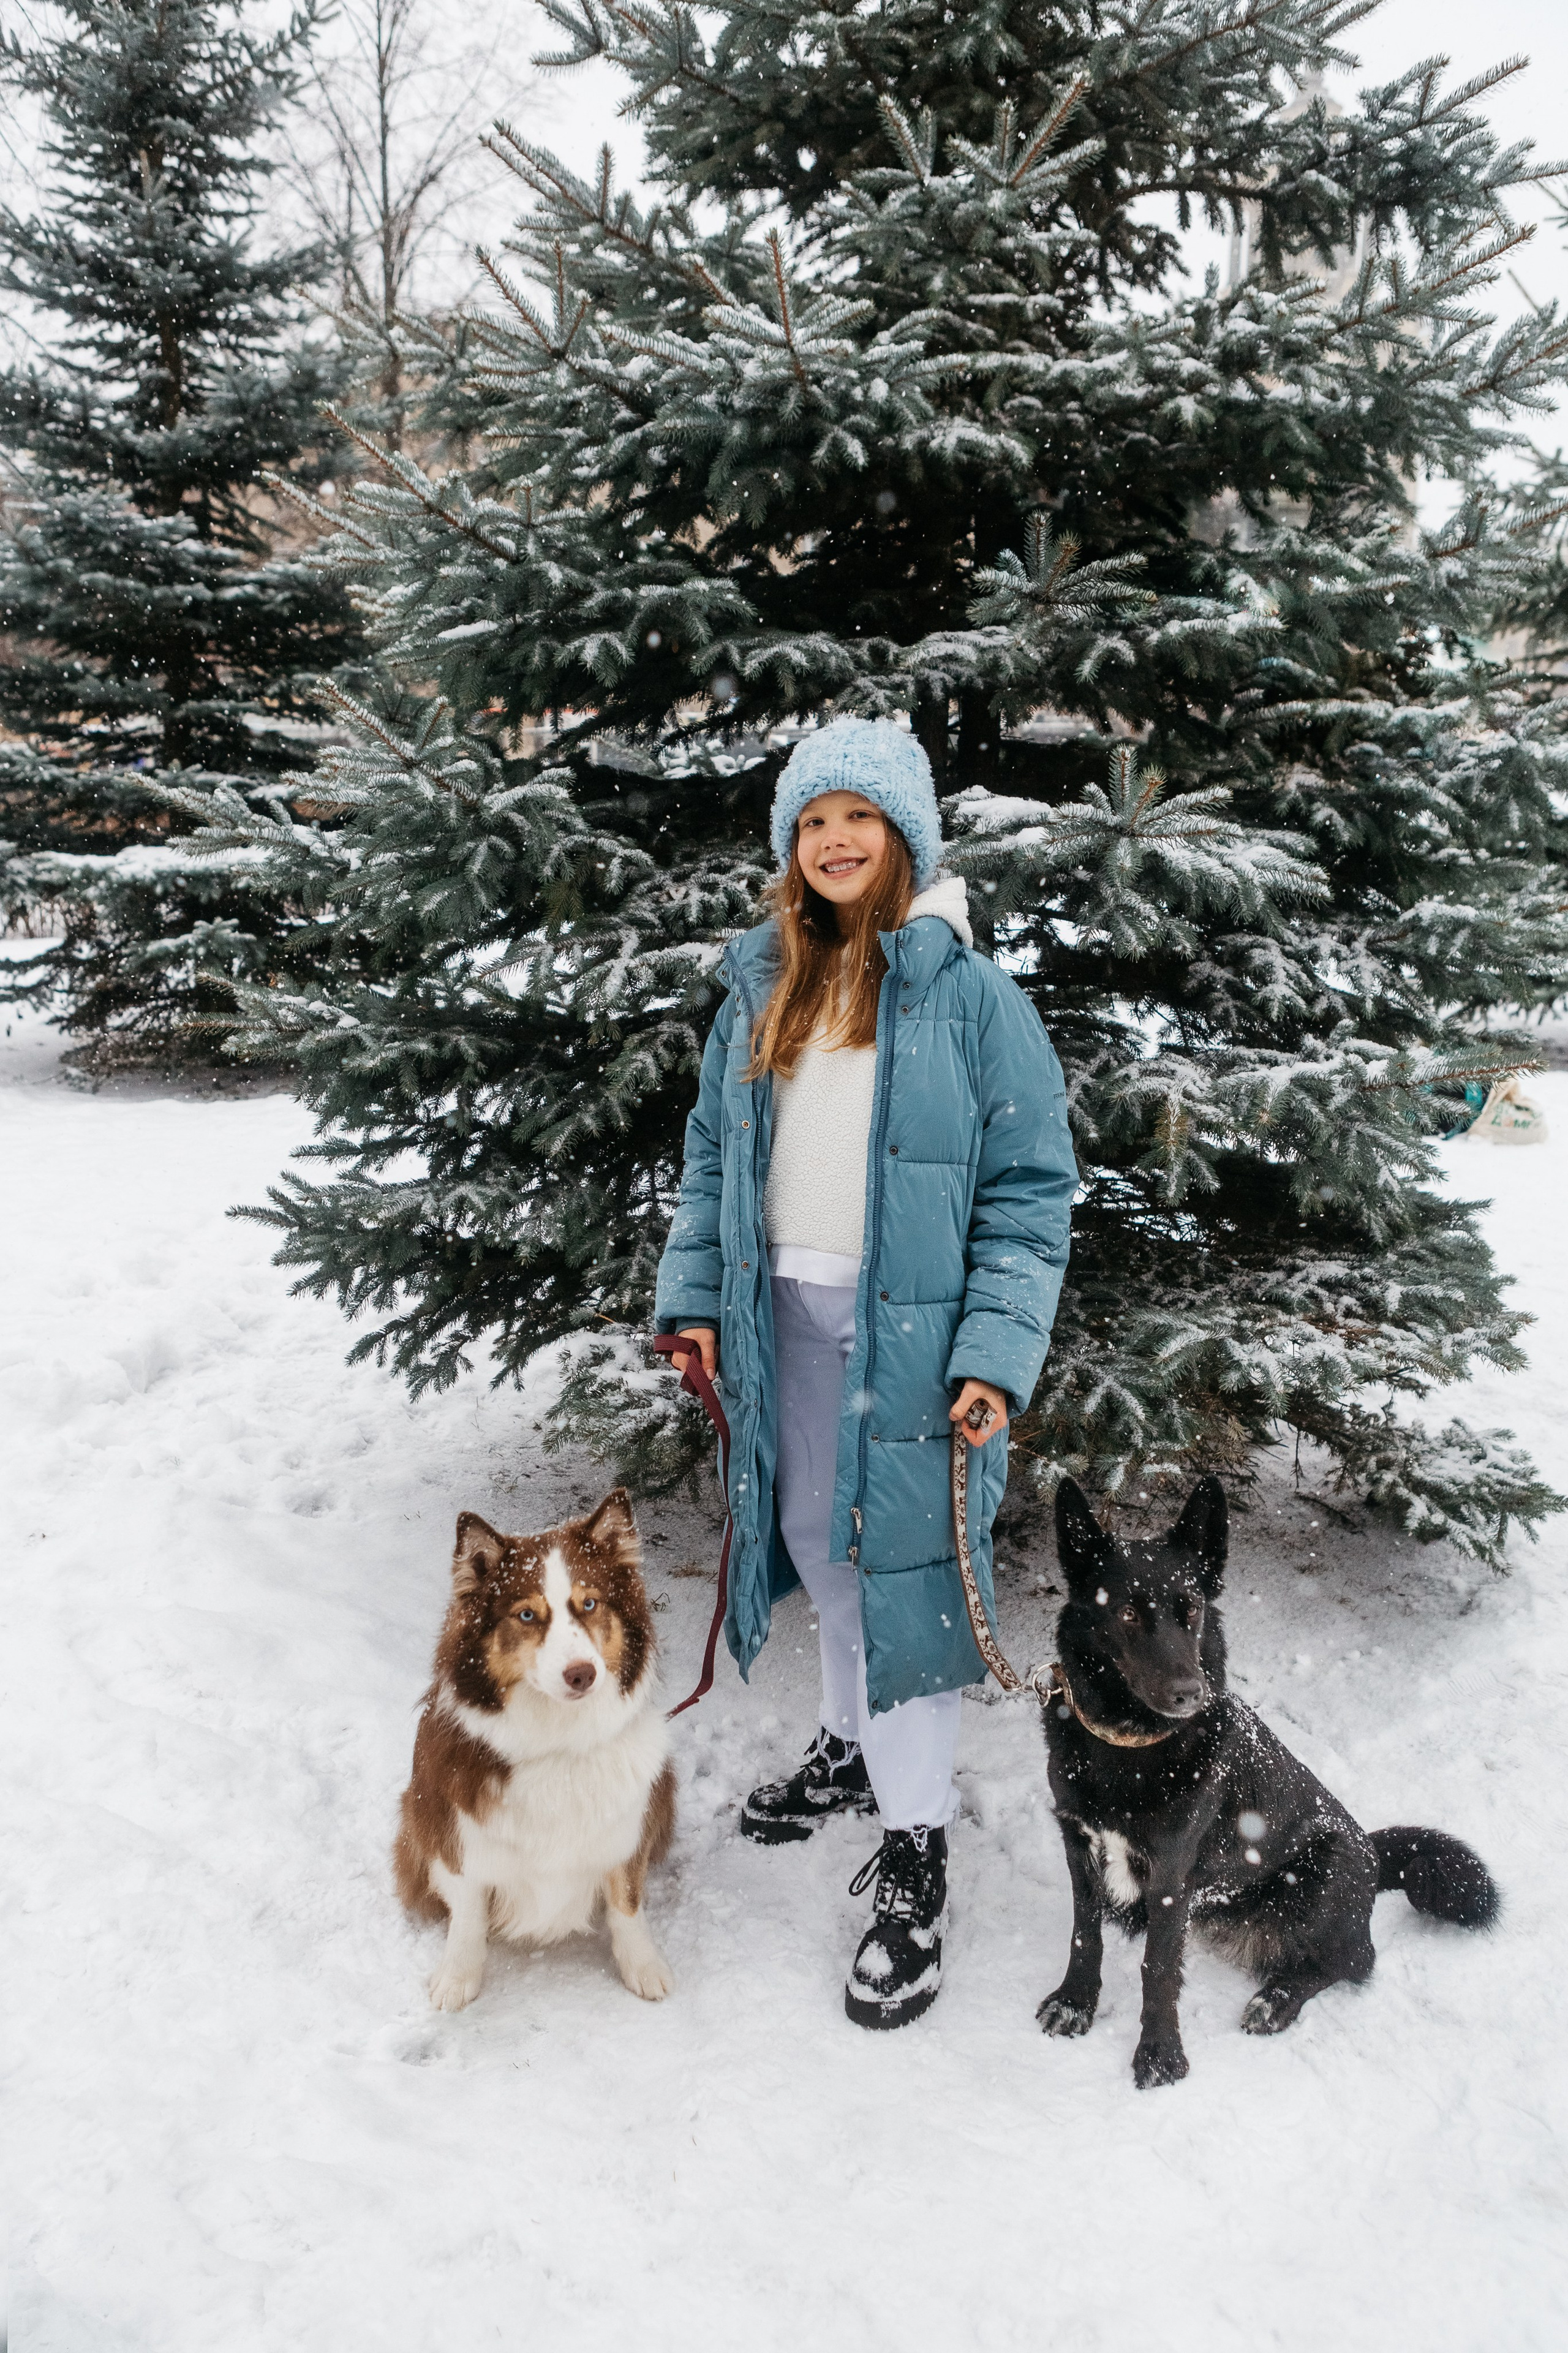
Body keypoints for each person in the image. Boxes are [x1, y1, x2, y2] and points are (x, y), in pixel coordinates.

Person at [655, 717, 1076, 2027]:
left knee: (906, 1587)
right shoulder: (762, 987)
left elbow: (1028, 1190)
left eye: (859, 817)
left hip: (909, 1340)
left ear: (903, 837)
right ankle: (847, 1746)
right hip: (777, 1313)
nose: (835, 840)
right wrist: (696, 1299)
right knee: (821, 1553)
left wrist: (993, 1356)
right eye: (812, 820)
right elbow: (714, 1166)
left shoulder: (968, 999)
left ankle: (914, 1856)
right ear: (792, 845)